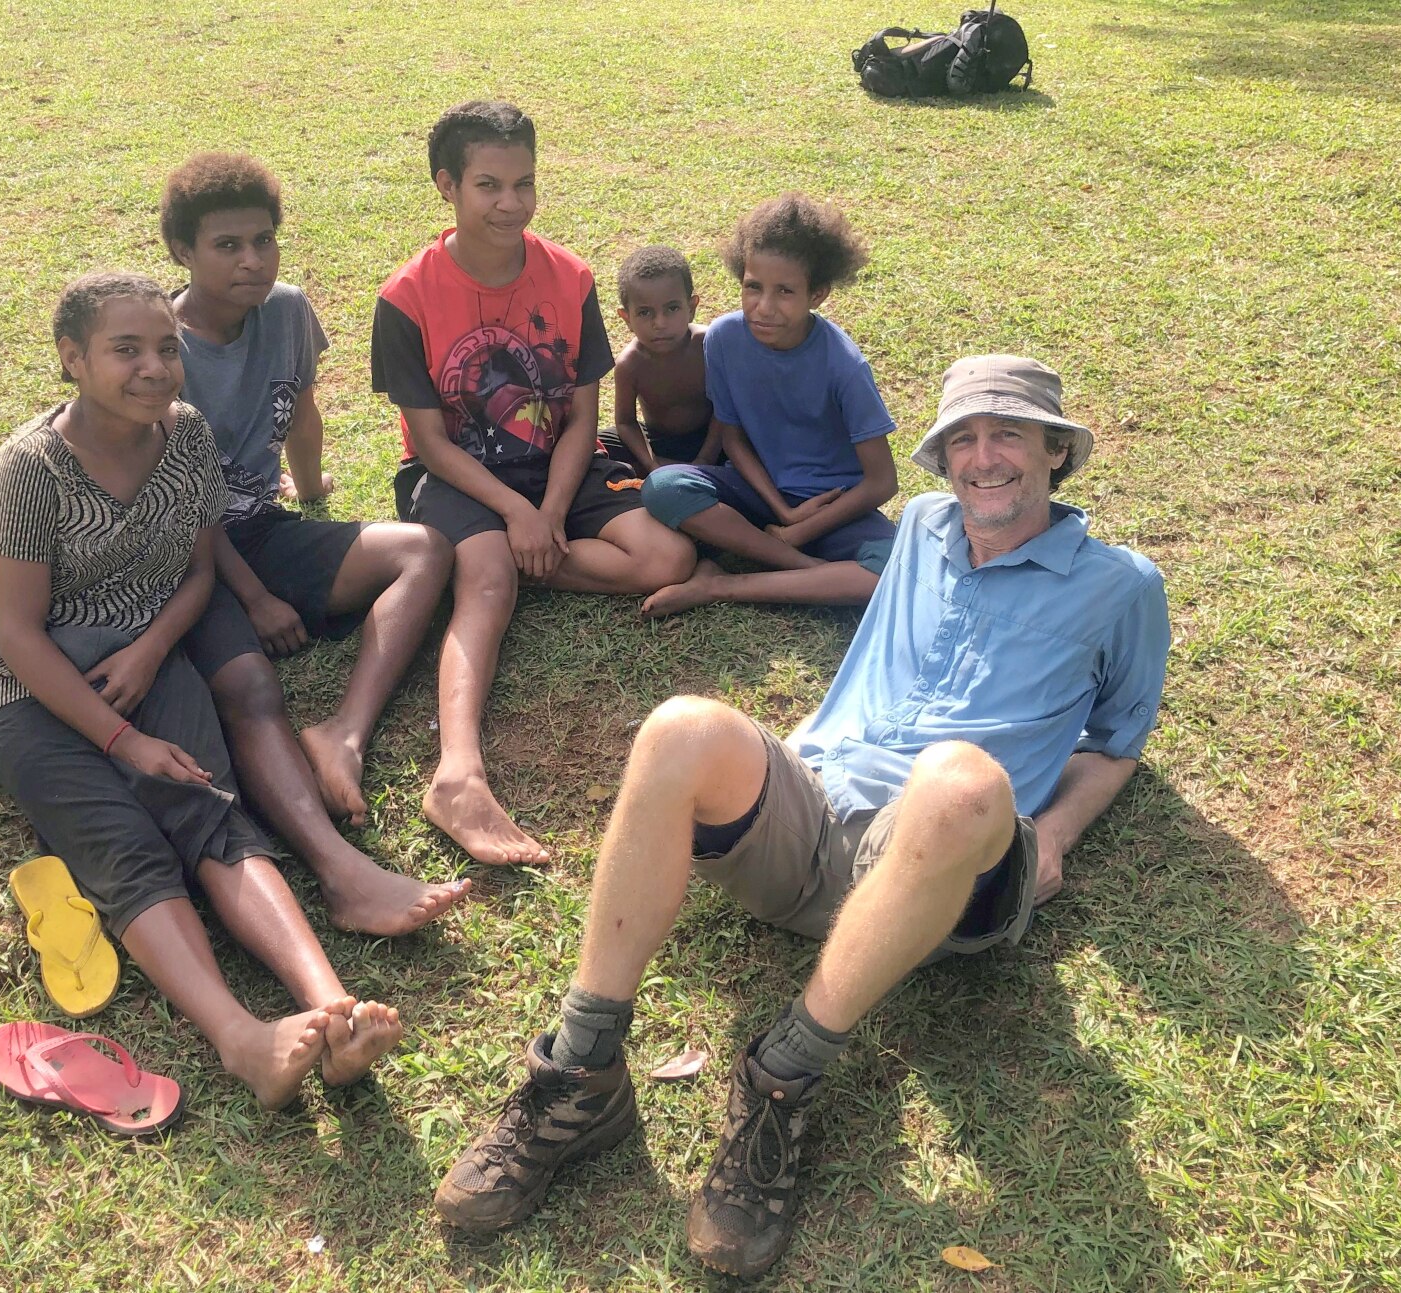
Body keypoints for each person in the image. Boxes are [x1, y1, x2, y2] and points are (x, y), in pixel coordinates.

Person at [433, 355, 1171, 1277]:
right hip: (811, 818)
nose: (984, 459)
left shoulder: (1123, 584)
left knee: (961, 780)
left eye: (1009, 435)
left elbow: (1116, 742)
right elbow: (844, 590)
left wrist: (1053, 835)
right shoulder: (926, 529)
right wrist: (722, 585)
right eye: (965, 440)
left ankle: (782, 1079)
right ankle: (579, 1072)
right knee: (682, 727)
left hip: (945, 867)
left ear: (1056, 452)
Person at [0, 272, 420, 1109]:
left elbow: (201, 571)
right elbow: (17, 635)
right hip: (24, 685)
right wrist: (121, 738)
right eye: (124, 350)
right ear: (72, 360)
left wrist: (152, 651)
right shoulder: (27, 470)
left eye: (165, 347)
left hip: (141, 651)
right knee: (128, 845)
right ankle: (242, 1039)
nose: (154, 368)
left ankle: (331, 1005)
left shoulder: (187, 435)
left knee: (211, 811)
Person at [370, 100, 696, 865]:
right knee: (485, 578)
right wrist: (514, 511)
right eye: (488, 185)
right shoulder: (406, 297)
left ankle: (517, 564)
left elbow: (583, 417)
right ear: (446, 186)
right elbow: (426, 439)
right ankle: (457, 773)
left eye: (524, 183)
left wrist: (546, 510)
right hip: (456, 471)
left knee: (667, 558)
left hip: (555, 463)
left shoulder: (570, 276)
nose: (510, 203)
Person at [158, 154, 470, 939]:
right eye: (226, 245)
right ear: (183, 253)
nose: (251, 260)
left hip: (258, 530)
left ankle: (345, 733)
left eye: (263, 240)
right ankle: (342, 873)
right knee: (253, 688)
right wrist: (256, 597)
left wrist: (315, 497)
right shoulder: (161, 348)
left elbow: (298, 413)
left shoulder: (287, 311)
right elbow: (185, 505)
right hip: (181, 554)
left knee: (424, 551)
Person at [638, 195, 899, 618]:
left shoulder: (845, 366)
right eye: (752, 287)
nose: (764, 307)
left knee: (891, 571)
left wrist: (803, 528)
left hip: (834, 508)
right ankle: (807, 573)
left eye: (785, 292)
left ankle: (722, 585)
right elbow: (732, 435)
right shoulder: (723, 339)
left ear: (817, 294)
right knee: (664, 487)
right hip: (761, 497)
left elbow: (882, 482)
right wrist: (783, 513)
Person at [599, 246, 717, 473]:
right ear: (626, 318)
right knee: (597, 445)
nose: (660, 323)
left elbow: (726, 410)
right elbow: (625, 422)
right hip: (659, 444)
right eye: (644, 313)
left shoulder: (708, 345)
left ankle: (701, 471)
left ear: (691, 308)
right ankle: (670, 471)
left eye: (672, 308)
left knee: (749, 436)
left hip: (713, 438)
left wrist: (705, 458)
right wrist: (651, 463)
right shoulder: (629, 364)